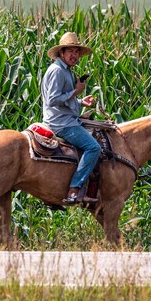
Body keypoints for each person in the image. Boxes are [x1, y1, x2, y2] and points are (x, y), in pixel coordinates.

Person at [42, 32, 101, 205]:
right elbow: (52, 100)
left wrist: (81, 101)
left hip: (66, 118)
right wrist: (76, 91)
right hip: (61, 123)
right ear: (61, 52)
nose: (74, 55)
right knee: (93, 148)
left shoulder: (66, 70)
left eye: (77, 52)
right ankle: (74, 190)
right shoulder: (58, 71)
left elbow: (64, 98)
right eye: (70, 51)